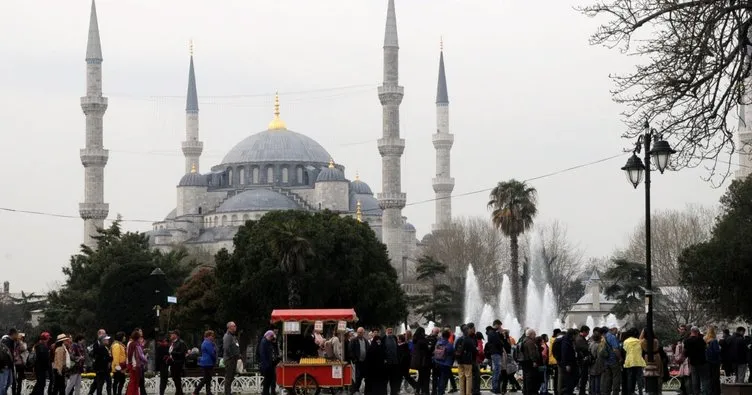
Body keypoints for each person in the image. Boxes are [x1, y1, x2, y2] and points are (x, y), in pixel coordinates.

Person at [456, 324, 478, 395]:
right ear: (467, 331)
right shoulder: (469, 340)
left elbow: (455, 349)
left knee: (461, 377)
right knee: (468, 377)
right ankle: (468, 393)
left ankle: (462, 393)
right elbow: (474, 350)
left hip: (460, 361)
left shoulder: (459, 339)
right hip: (467, 361)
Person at [434, 329, 455, 395]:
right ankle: (440, 392)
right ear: (449, 336)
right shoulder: (449, 345)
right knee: (443, 380)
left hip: (437, 363)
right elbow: (453, 355)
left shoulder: (438, 343)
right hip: (445, 364)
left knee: (438, 379)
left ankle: (438, 391)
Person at [126, 330, 147, 395]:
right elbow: (138, 356)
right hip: (135, 366)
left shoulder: (131, 344)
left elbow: (130, 355)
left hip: (132, 365)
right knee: (134, 382)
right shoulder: (136, 345)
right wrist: (145, 360)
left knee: (133, 382)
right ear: (138, 337)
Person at [168, 330, 188, 395]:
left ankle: (178, 392)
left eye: (172, 334)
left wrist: (173, 353)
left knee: (176, 378)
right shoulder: (172, 343)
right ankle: (180, 392)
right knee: (175, 378)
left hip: (178, 363)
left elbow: (182, 353)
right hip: (173, 363)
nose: (170, 335)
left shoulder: (181, 342)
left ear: (175, 335)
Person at [223, 322, 240, 395]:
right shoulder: (227, 336)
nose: (235, 327)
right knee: (229, 377)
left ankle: (228, 392)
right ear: (229, 327)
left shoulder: (232, 336)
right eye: (234, 326)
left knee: (231, 377)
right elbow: (226, 348)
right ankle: (227, 393)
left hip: (233, 359)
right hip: (230, 359)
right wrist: (232, 356)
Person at [258, 331, 277, 395]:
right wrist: (266, 365)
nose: (272, 338)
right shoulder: (264, 342)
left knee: (269, 380)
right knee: (267, 380)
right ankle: (265, 393)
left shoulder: (267, 342)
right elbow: (263, 354)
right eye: (271, 336)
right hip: (267, 365)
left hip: (269, 364)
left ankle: (265, 392)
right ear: (268, 335)